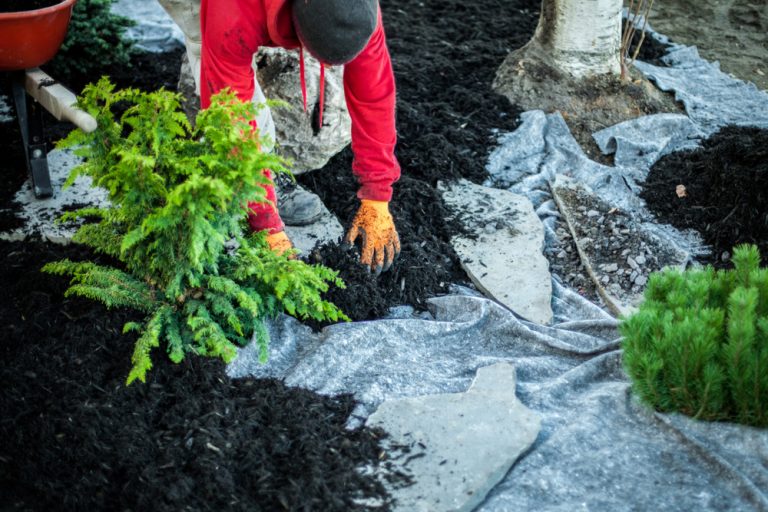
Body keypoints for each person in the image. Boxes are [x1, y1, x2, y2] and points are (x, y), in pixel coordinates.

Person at [158, 0, 401, 274]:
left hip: (275, 15)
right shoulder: (230, 10)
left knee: (327, 113)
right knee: (210, 49)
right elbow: (231, 115)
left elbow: (373, 93)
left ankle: (257, 48)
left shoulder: (357, 9)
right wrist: (265, 223)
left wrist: (377, 195)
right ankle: (229, 170)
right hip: (221, 13)